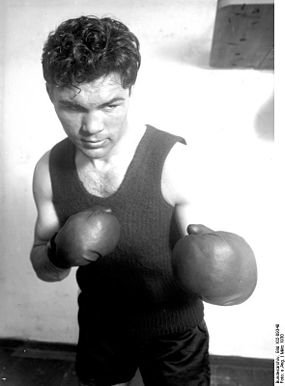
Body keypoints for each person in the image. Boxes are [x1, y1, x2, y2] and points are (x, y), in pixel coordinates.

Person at [30, 15, 254, 386]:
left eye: (110, 105)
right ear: (50, 95)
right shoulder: (48, 170)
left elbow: (204, 258)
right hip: (101, 324)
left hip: (173, 330)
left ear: (130, 92)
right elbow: (43, 266)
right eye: (73, 107)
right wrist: (56, 252)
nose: (92, 127)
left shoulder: (173, 162)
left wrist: (228, 273)